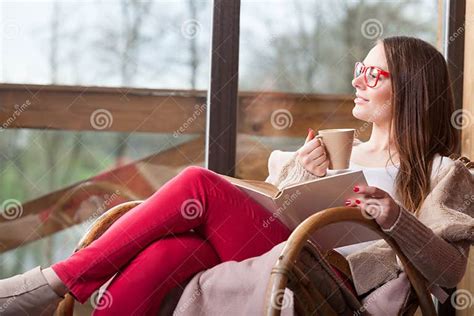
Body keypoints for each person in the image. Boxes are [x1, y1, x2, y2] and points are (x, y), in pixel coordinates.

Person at [0, 36, 472, 315]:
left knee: (198, 184)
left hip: (337, 293)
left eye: (374, 75)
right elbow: (288, 215)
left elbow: (450, 271)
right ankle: (58, 284)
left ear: (410, 90)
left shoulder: (439, 172)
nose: (357, 81)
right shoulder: (336, 153)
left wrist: (393, 217)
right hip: (286, 259)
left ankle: (54, 282)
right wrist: (300, 175)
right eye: (359, 70)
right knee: (177, 249)